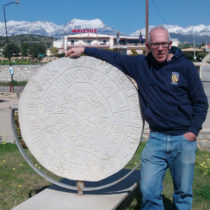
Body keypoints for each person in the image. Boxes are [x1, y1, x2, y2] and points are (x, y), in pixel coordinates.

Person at [66, 26, 208, 210]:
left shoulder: (184, 67)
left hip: (182, 139)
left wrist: (192, 132)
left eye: (164, 44)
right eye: (155, 44)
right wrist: (84, 49)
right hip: (156, 140)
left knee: (183, 193)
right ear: (148, 45)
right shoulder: (141, 65)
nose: (160, 48)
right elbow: (114, 57)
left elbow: (200, 102)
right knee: (148, 191)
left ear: (170, 44)